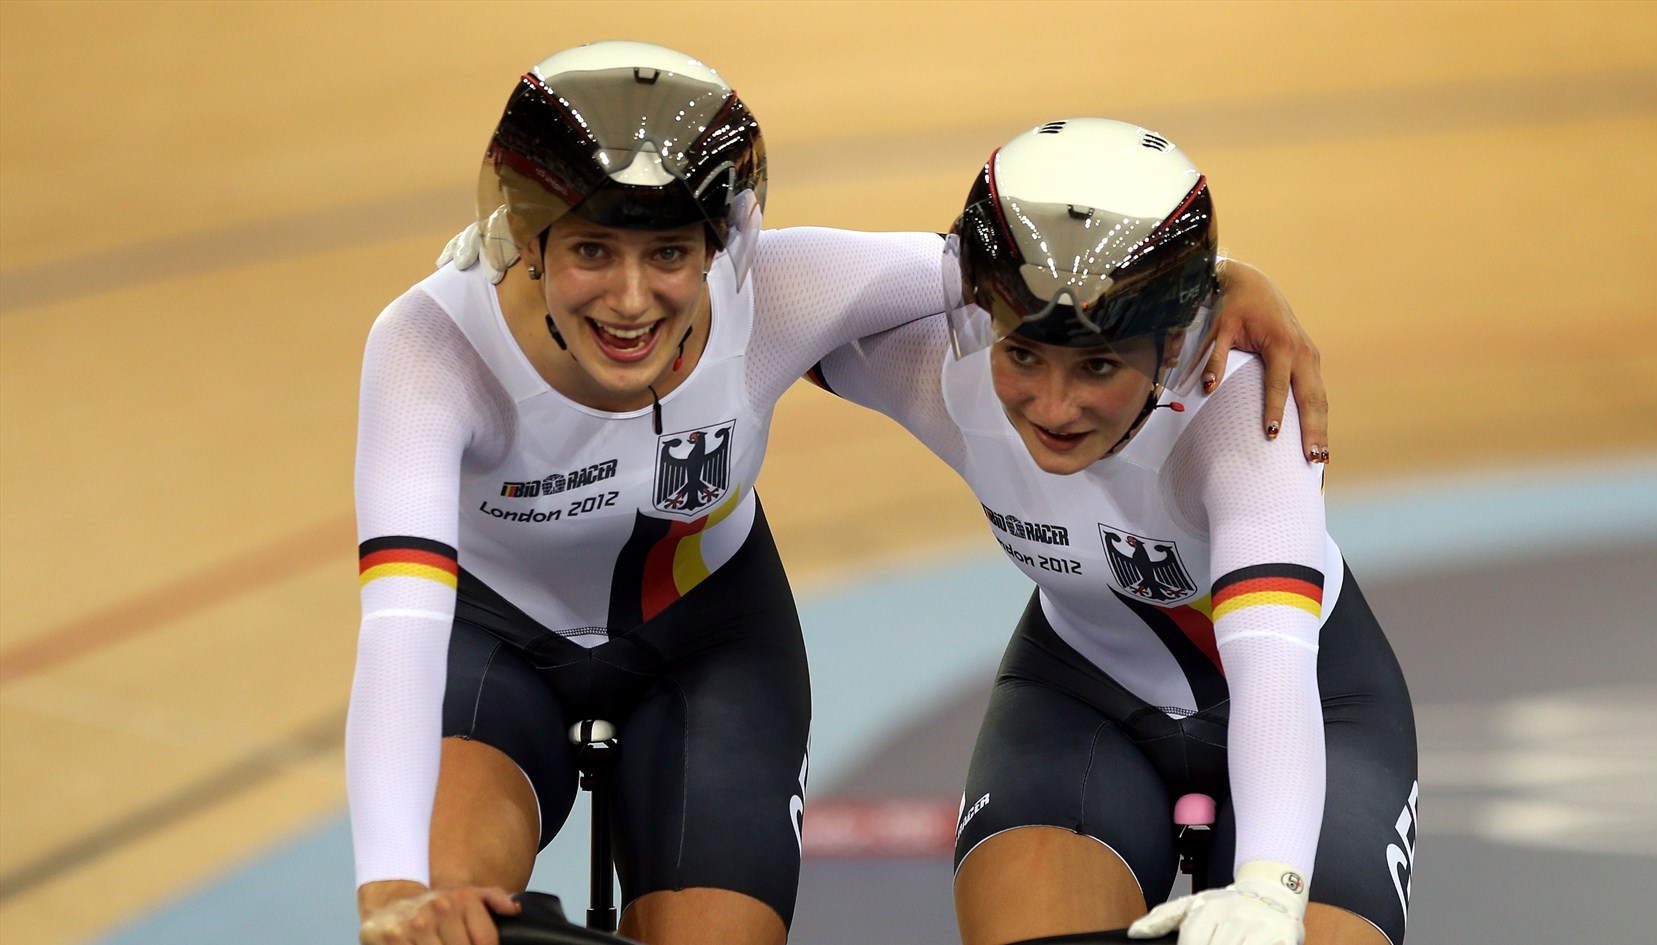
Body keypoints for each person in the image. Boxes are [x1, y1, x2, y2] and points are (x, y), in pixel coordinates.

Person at [354, 40, 1329, 945]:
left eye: (670, 255)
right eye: (591, 251)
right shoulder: (431, 348)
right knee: (448, 918)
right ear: (525, 237)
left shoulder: (785, 287)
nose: (632, 299)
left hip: (708, 648)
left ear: (724, 244)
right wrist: (389, 885)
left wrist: (1215, 282)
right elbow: (401, 620)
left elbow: (1024, 277)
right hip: (493, 650)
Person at [809, 119, 1417, 945]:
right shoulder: (938, 370)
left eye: (1098, 365)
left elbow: (1273, 659)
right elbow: (755, 295)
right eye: (1023, 354)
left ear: (1175, 340)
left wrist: (1271, 890)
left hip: (1312, 700)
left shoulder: (1244, 405)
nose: (1054, 407)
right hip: (1079, 697)